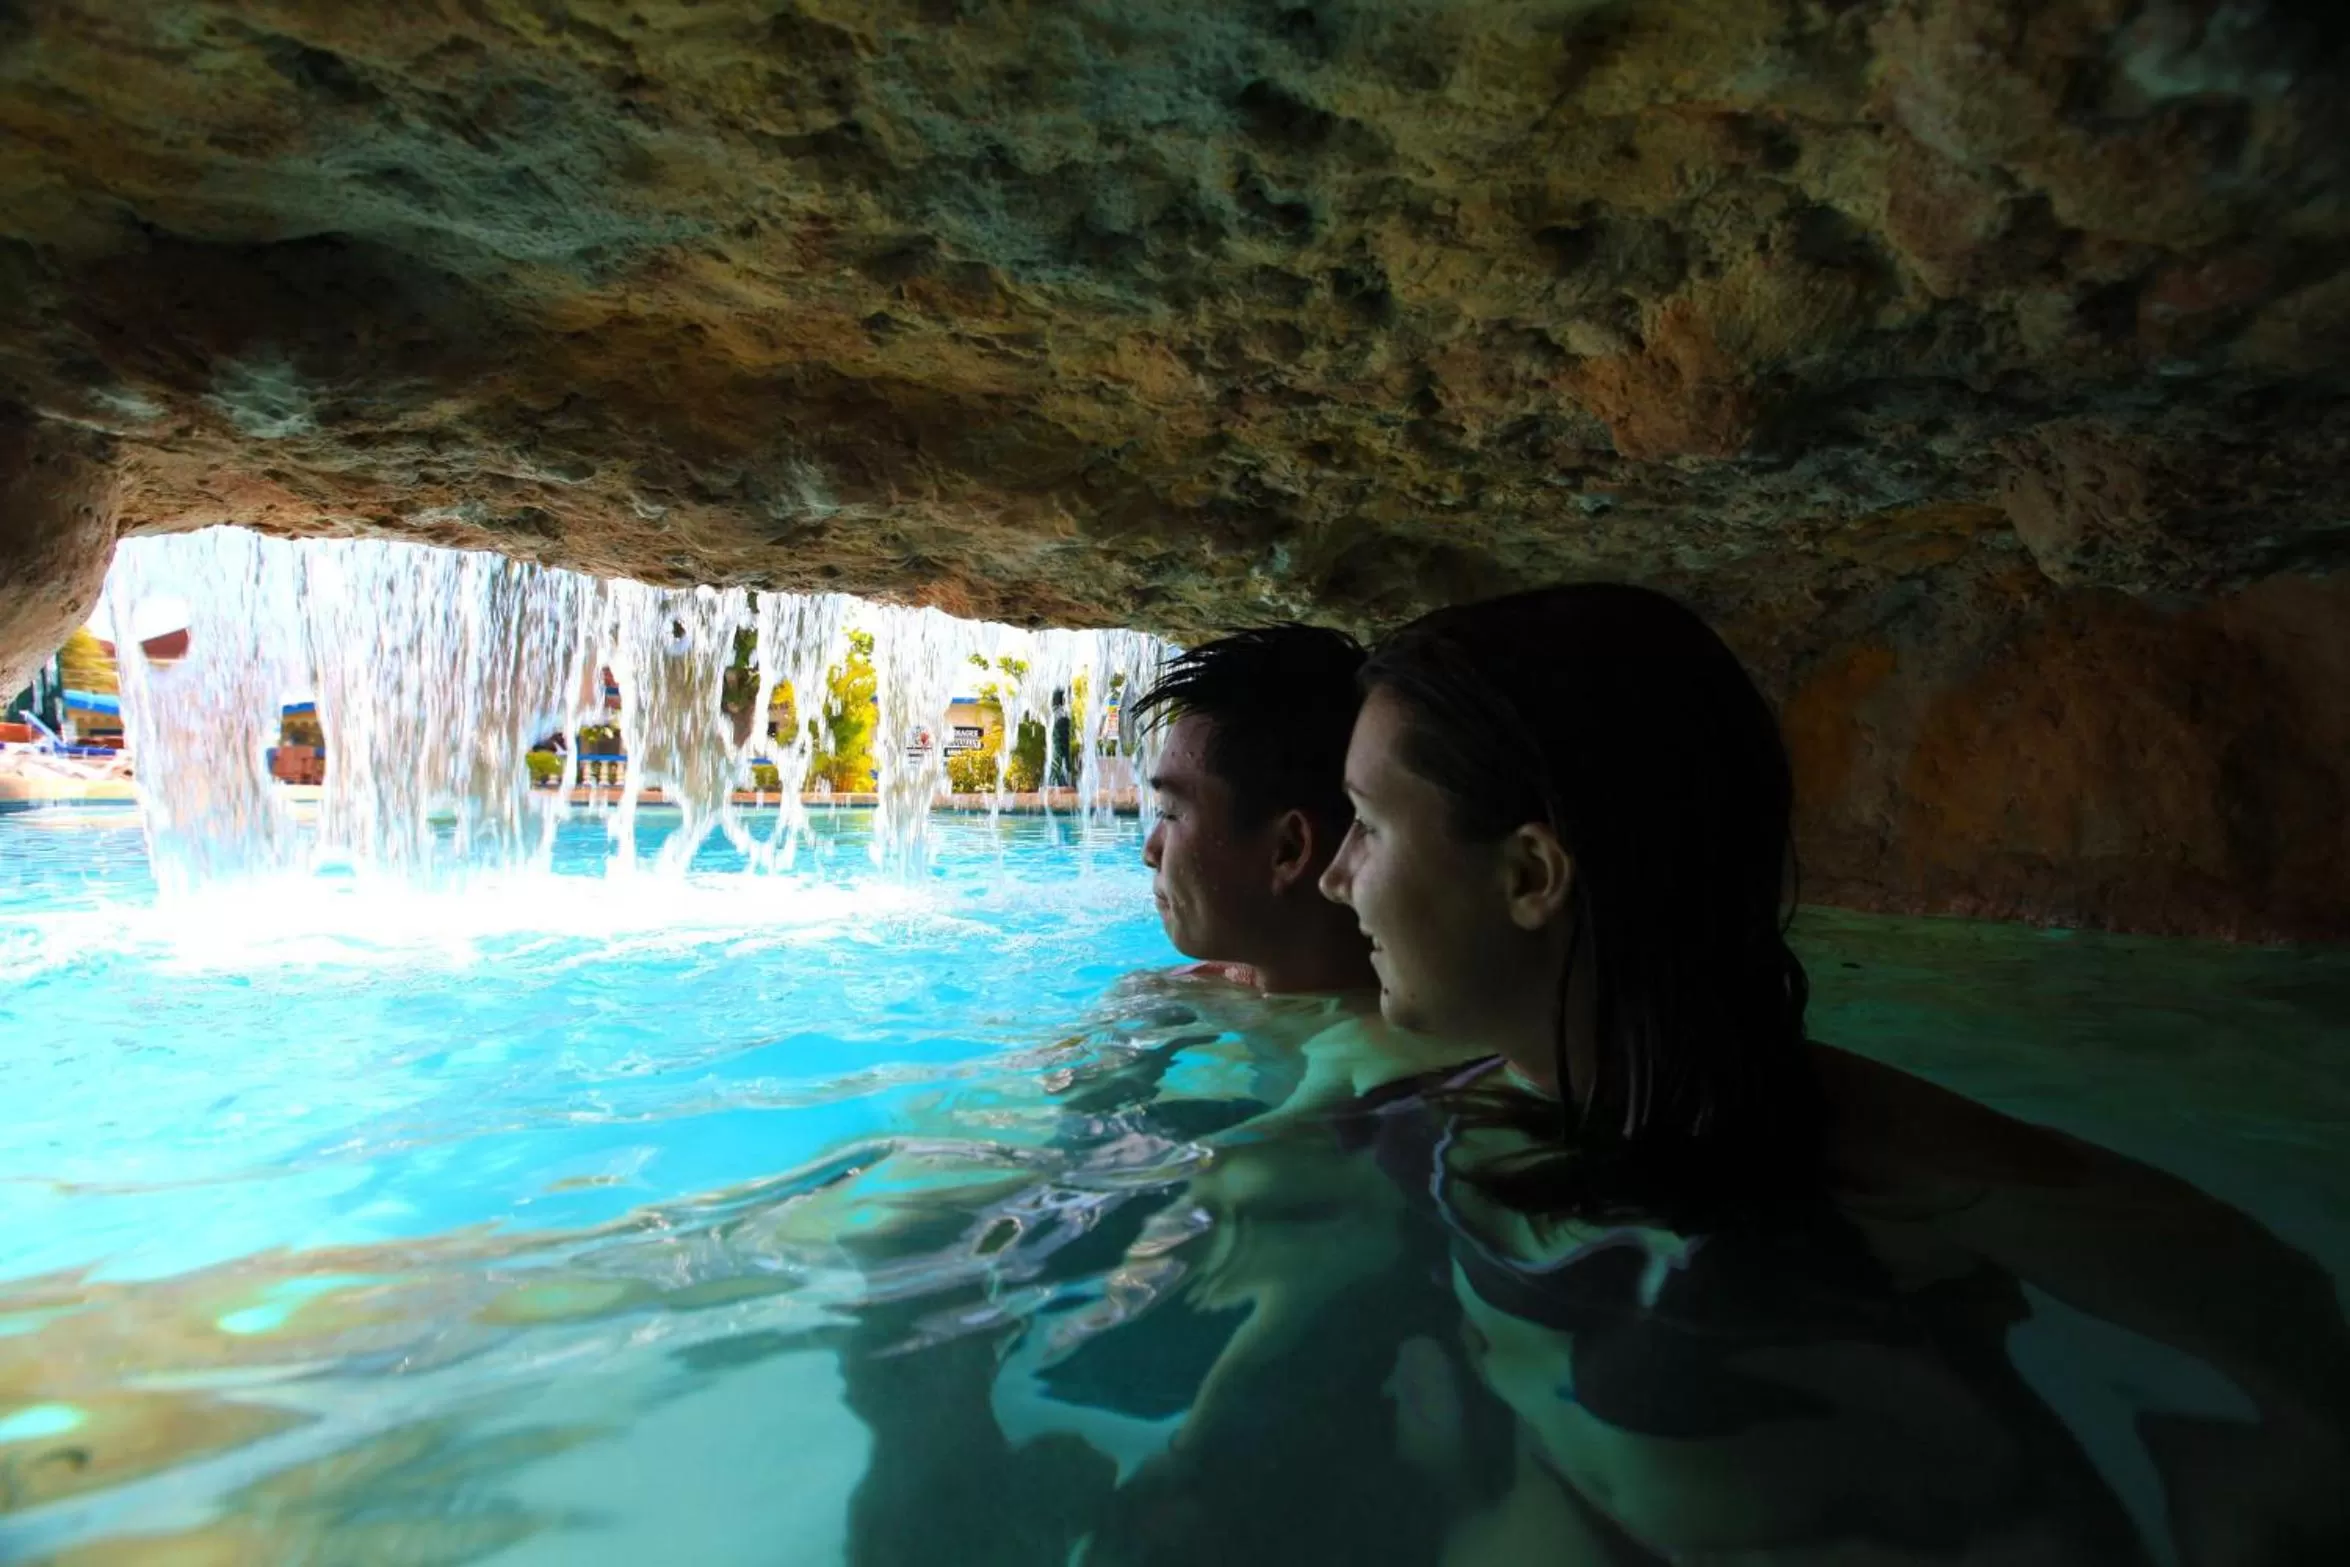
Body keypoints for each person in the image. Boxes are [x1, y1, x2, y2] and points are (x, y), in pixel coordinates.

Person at [1318, 581, 2350, 1562]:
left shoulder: (1874, 1158)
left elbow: (2263, 1297)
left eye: (1367, 824)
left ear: (1530, 873)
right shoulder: (1439, 1121)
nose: (1335, 875)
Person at [1128, 624, 1377, 998]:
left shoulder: (1381, 1043)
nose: (1150, 852)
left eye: (1170, 813)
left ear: (1288, 849)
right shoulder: (1182, 990)